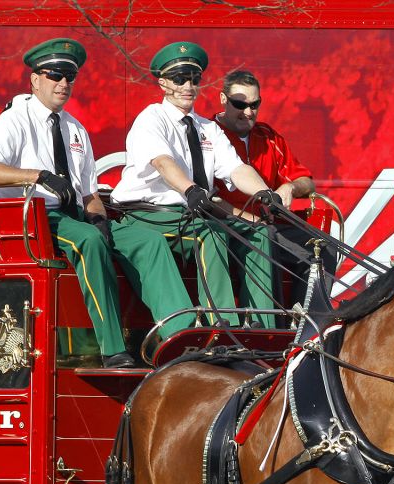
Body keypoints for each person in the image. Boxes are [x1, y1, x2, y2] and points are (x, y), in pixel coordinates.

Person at [0, 38, 136, 368]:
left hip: (72, 215)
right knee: (89, 241)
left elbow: (90, 194)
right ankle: (112, 348)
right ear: (35, 79)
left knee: (143, 239)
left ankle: (172, 336)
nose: (63, 84)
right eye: (55, 75)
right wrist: (39, 175)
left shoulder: (75, 129)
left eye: (70, 77)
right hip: (32, 217)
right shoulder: (15, 120)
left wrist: (100, 221)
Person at [112, 42, 283, 336]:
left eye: (194, 79)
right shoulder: (151, 119)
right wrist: (191, 190)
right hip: (148, 214)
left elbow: (236, 168)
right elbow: (164, 163)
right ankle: (223, 325)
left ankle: (262, 327)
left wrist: (264, 192)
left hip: (191, 214)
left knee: (258, 233)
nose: (187, 86)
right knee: (211, 232)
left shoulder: (207, 127)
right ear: (163, 82)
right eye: (179, 79)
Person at [215, 69, 331, 315]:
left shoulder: (268, 137)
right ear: (223, 99)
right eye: (240, 104)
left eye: (254, 104)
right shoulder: (208, 134)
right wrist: (248, 219)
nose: (248, 112)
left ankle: (307, 326)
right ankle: (270, 328)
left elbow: (306, 181)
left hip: (268, 225)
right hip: (223, 226)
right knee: (265, 238)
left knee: (323, 247)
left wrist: (290, 186)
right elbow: (206, 197)